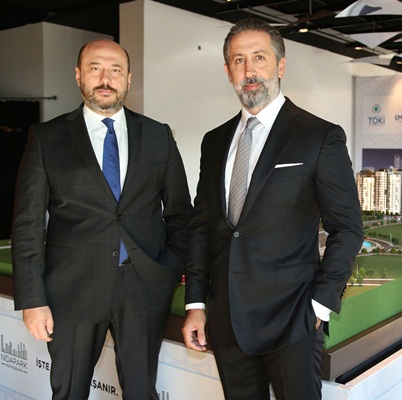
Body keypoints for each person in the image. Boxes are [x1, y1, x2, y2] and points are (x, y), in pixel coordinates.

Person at [182, 18, 363, 400]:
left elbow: (347, 228)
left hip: (293, 319)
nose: (249, 70)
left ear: (280, 65)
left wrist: (320, 305)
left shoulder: (319, 136)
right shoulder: (214, 142)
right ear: (228, 71)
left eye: (259, 58)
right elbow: (202, 227)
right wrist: (196, 304)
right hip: (227, 319)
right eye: (239, 60)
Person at [11, 38, 192, 399]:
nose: (105, 78)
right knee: (69, 392)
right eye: (95, 68)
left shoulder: (158, 135)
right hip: (72, 291)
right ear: (79, 76)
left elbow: (180, 214)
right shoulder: (47, 138)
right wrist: (32, 300)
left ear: (128, 79)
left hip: (143, 289)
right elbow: (27, 225)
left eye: (115, 70)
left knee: (141, 391)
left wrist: (168, 269)